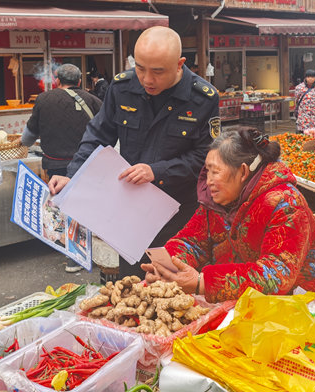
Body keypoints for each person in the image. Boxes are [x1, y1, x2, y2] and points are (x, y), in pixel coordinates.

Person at [49, 26, 220, 277]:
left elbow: (206, 159)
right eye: (140, 68)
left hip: (180, 212)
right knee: (132, 281)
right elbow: (97, 136)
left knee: (175, 284)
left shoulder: (202, 98)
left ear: (179, 64)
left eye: (158, 71)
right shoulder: (123, 87)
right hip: (131, 210)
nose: (147, 79)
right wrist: (73, 176)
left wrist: (157, 171)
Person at [140, 128, 315, 302]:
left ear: (243, 172)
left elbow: (276, 274)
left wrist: (203, 282)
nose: (208, 181)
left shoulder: (286, 204)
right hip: (243, 304)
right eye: (207, 171)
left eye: (215, 172)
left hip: (302, 304)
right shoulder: (217, 200)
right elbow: (192, 241)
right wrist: (167, 267)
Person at [22, 63, 102, 273]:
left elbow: (27, 138)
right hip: (86, 164)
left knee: (64, 206)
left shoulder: (43, 99)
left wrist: (25, 142)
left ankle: (72, 254)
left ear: (57, 80)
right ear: (79, 81)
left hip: (55, 164)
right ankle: (85, 253)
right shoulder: (93, 100)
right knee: (85, 206)